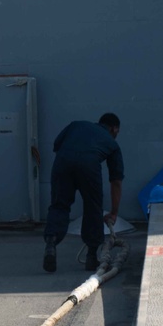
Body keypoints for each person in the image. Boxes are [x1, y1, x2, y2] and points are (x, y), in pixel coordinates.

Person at [42, 113, 124, 273]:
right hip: (89, 166)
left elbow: (56, 145)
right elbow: (116, 181)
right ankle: (91, 256)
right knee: (93, 208)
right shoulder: (112, 144)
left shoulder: (76, 125)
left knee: (59, 205)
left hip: (62, 162)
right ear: (114, 129)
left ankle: (51, 243)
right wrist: (114, 212)